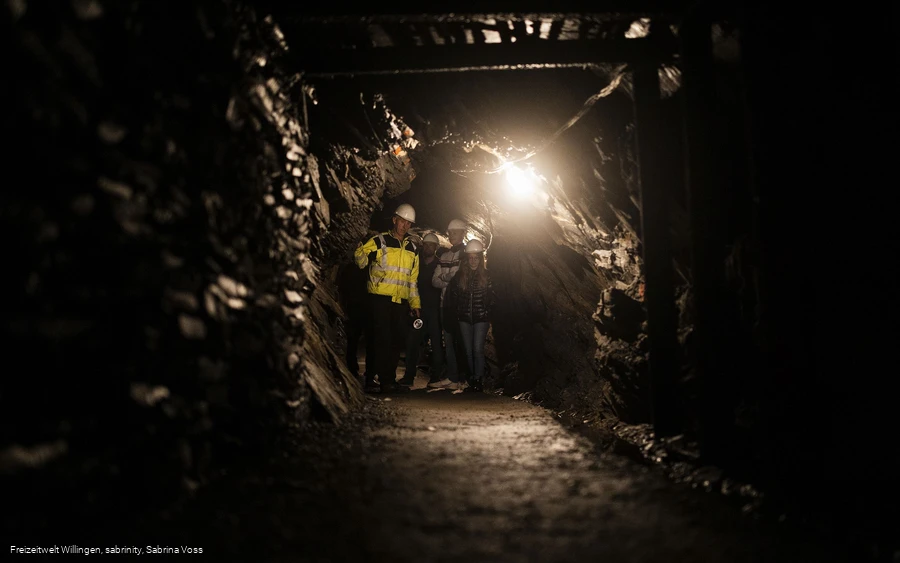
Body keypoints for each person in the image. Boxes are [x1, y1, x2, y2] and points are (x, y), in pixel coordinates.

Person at [353, 204, 420, 394]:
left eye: (408, 223)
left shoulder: (413, 248)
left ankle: (387, 379)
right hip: (379, 299)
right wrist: (359, 251)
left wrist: (415, 304)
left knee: (396, 341)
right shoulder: (380, 241)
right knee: (380, 339)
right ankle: (375, 379)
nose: (405, 226)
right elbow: (361, 262)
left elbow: (412, 280)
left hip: (400, 302)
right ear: (394, 220)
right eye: (402, 221)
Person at [447, 239, 494, 392]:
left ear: (480, 259)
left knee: (477, 349)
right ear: (467, 259)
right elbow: (453, 296)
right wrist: (456, 313)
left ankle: (478, 379)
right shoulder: (459, 276)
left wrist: (487, 312)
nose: (473, 261)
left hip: (481, 318)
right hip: (464, 318)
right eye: (471, 258)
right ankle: (471, 378)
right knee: (468, 350)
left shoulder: (487, 276)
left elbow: (493, 297)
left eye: (476, 258)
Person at [400, 233, 443, 387]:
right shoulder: (416, 262)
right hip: (418, 310)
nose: (428, 247)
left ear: (436, 247)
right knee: (413, 342)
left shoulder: (440, 264)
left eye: (431, 245)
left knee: (436, 344)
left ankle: (436, 377)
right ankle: (409, 376)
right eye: (426, 245)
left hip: (434, 312)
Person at [430, 219, 467, 389]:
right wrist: (449, 278)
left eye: (455, 232)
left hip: (461, 305)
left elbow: (461, 279)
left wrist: (445, 278)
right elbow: (434, 281)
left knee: (463, 341)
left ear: (463, 233)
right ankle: (453, 377)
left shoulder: (467, 254)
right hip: (445, 304)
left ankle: (464, 379)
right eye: (450, 232)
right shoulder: (444, 256)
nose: (451, 235)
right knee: (449, 342)